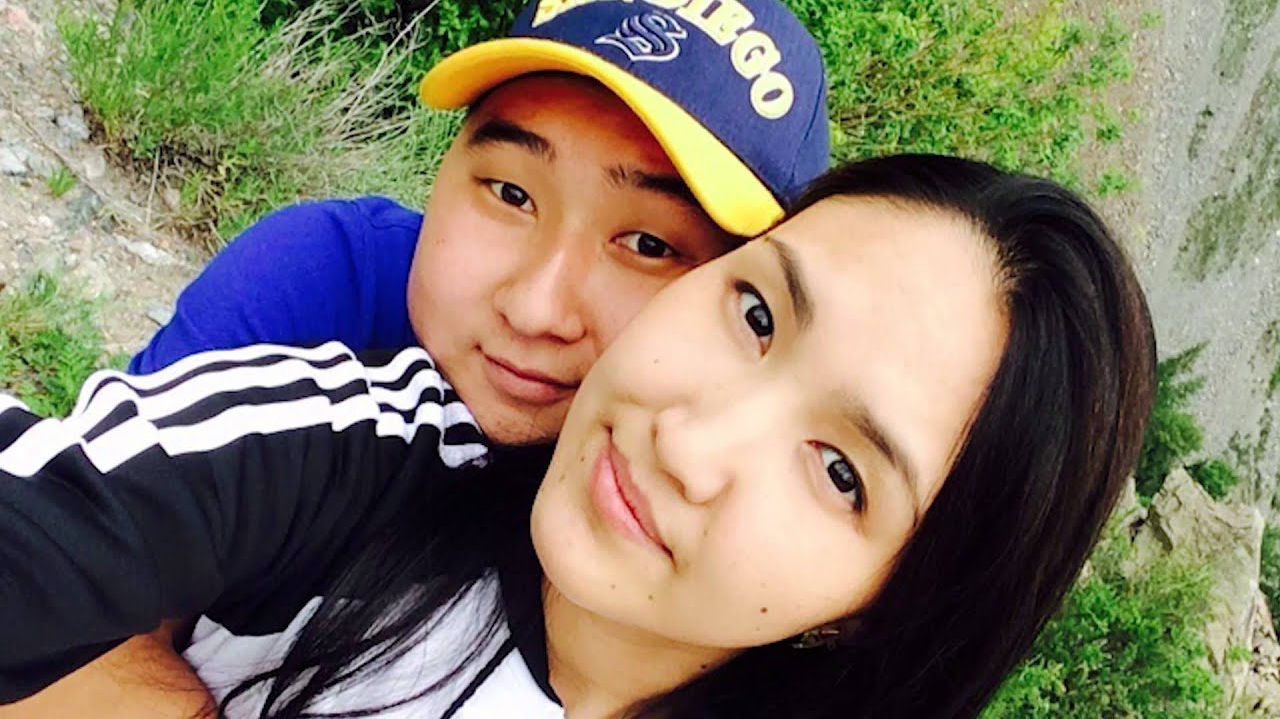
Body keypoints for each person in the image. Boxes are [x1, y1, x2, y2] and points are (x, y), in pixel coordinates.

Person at [0, 155, 1155, 718]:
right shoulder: (361, 453)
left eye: (839, 471)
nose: (688, 446)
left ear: (887, 602)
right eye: (755, 315)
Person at [0, 1, 830, 715]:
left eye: (648, 245)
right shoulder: (328, 286)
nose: (536, 308)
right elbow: (82, 595)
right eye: (511, 193)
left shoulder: (727, 544)